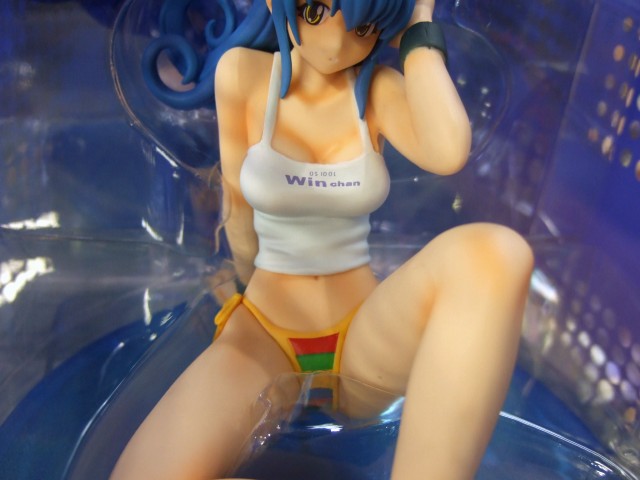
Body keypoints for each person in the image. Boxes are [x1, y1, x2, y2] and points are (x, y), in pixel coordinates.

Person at [111, 0, 534, 478]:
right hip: (264, 331)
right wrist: (236, 279)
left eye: (362, 25)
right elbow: (237, 208)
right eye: (314, 11)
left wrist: (418, 30)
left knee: (498, 255)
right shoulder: (243, 75)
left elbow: (448, 150)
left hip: (364, 338)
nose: (335, 43)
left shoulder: (378, 91)